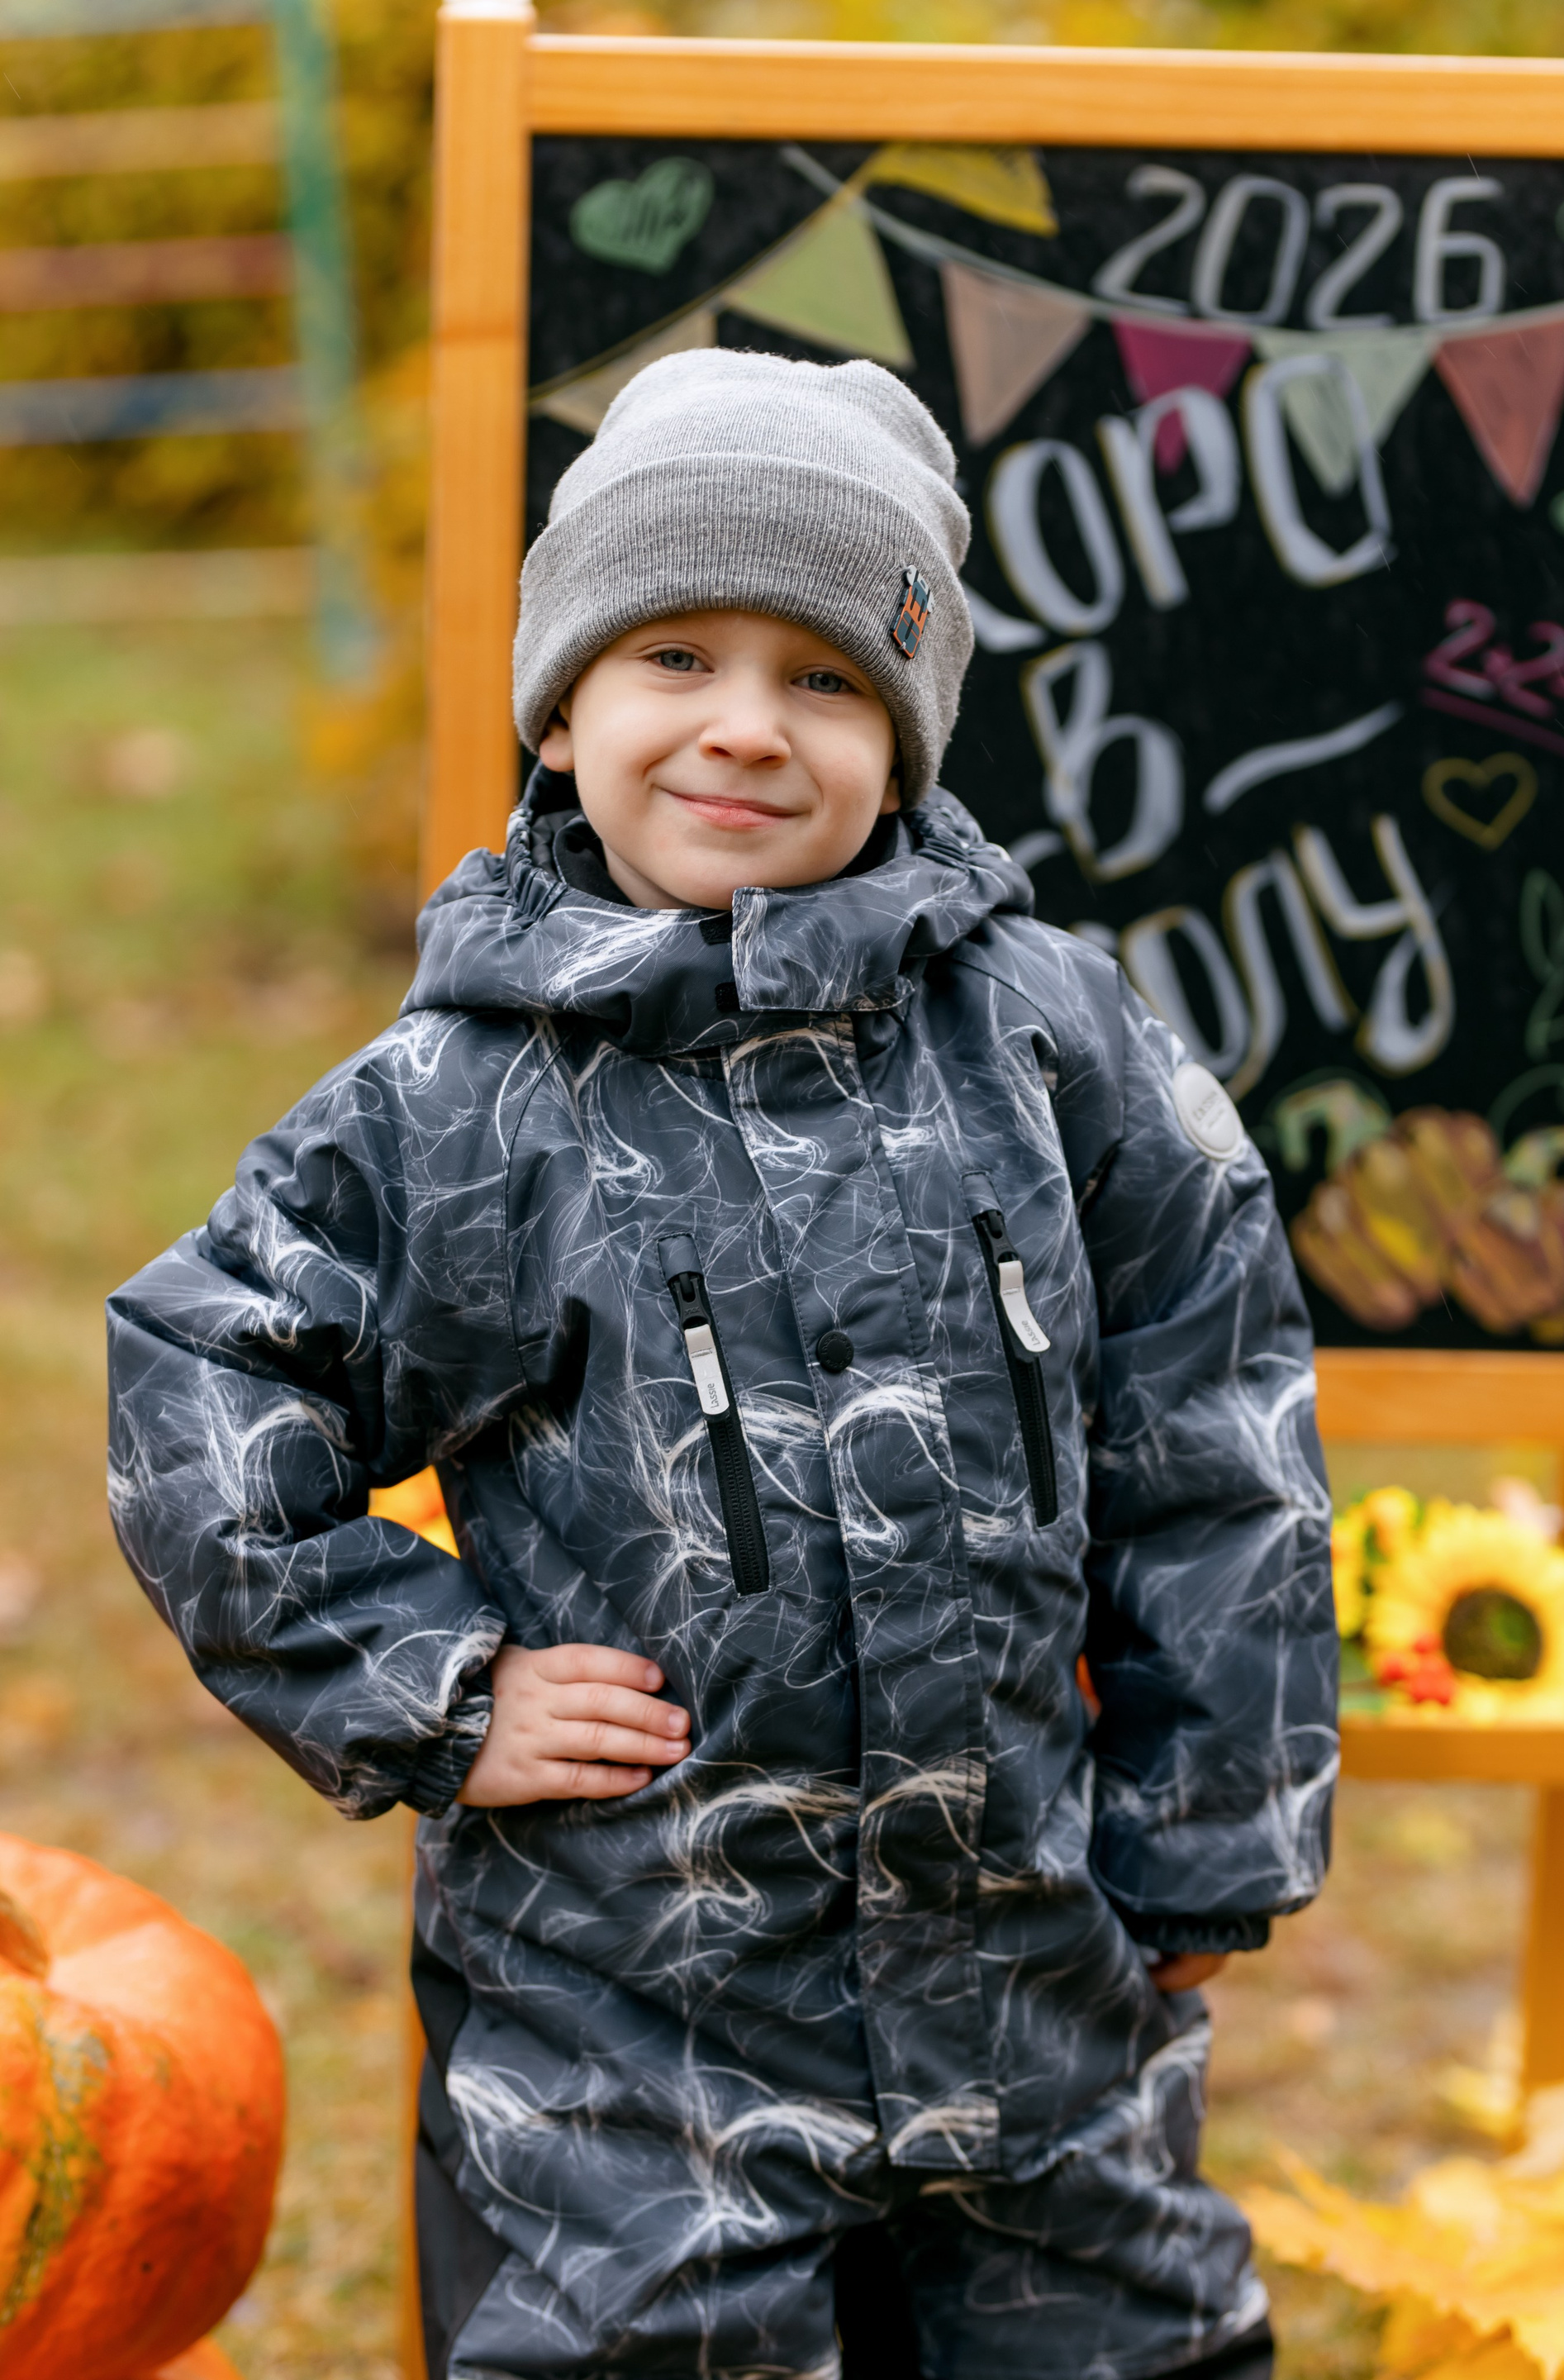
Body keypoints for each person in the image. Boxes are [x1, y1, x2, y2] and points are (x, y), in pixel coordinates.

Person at [107, 350, 1338, 2380]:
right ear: (562, 703)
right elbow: (201, 1383)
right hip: (629, 2016)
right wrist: (438, 1690)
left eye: (828, 677)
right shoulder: (460, 1101)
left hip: (1030, 1975)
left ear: (908, 738)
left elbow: (1216, 1425)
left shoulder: (1056, 1043)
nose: (748, 726)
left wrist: (1212, 1831)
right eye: (675, 653)